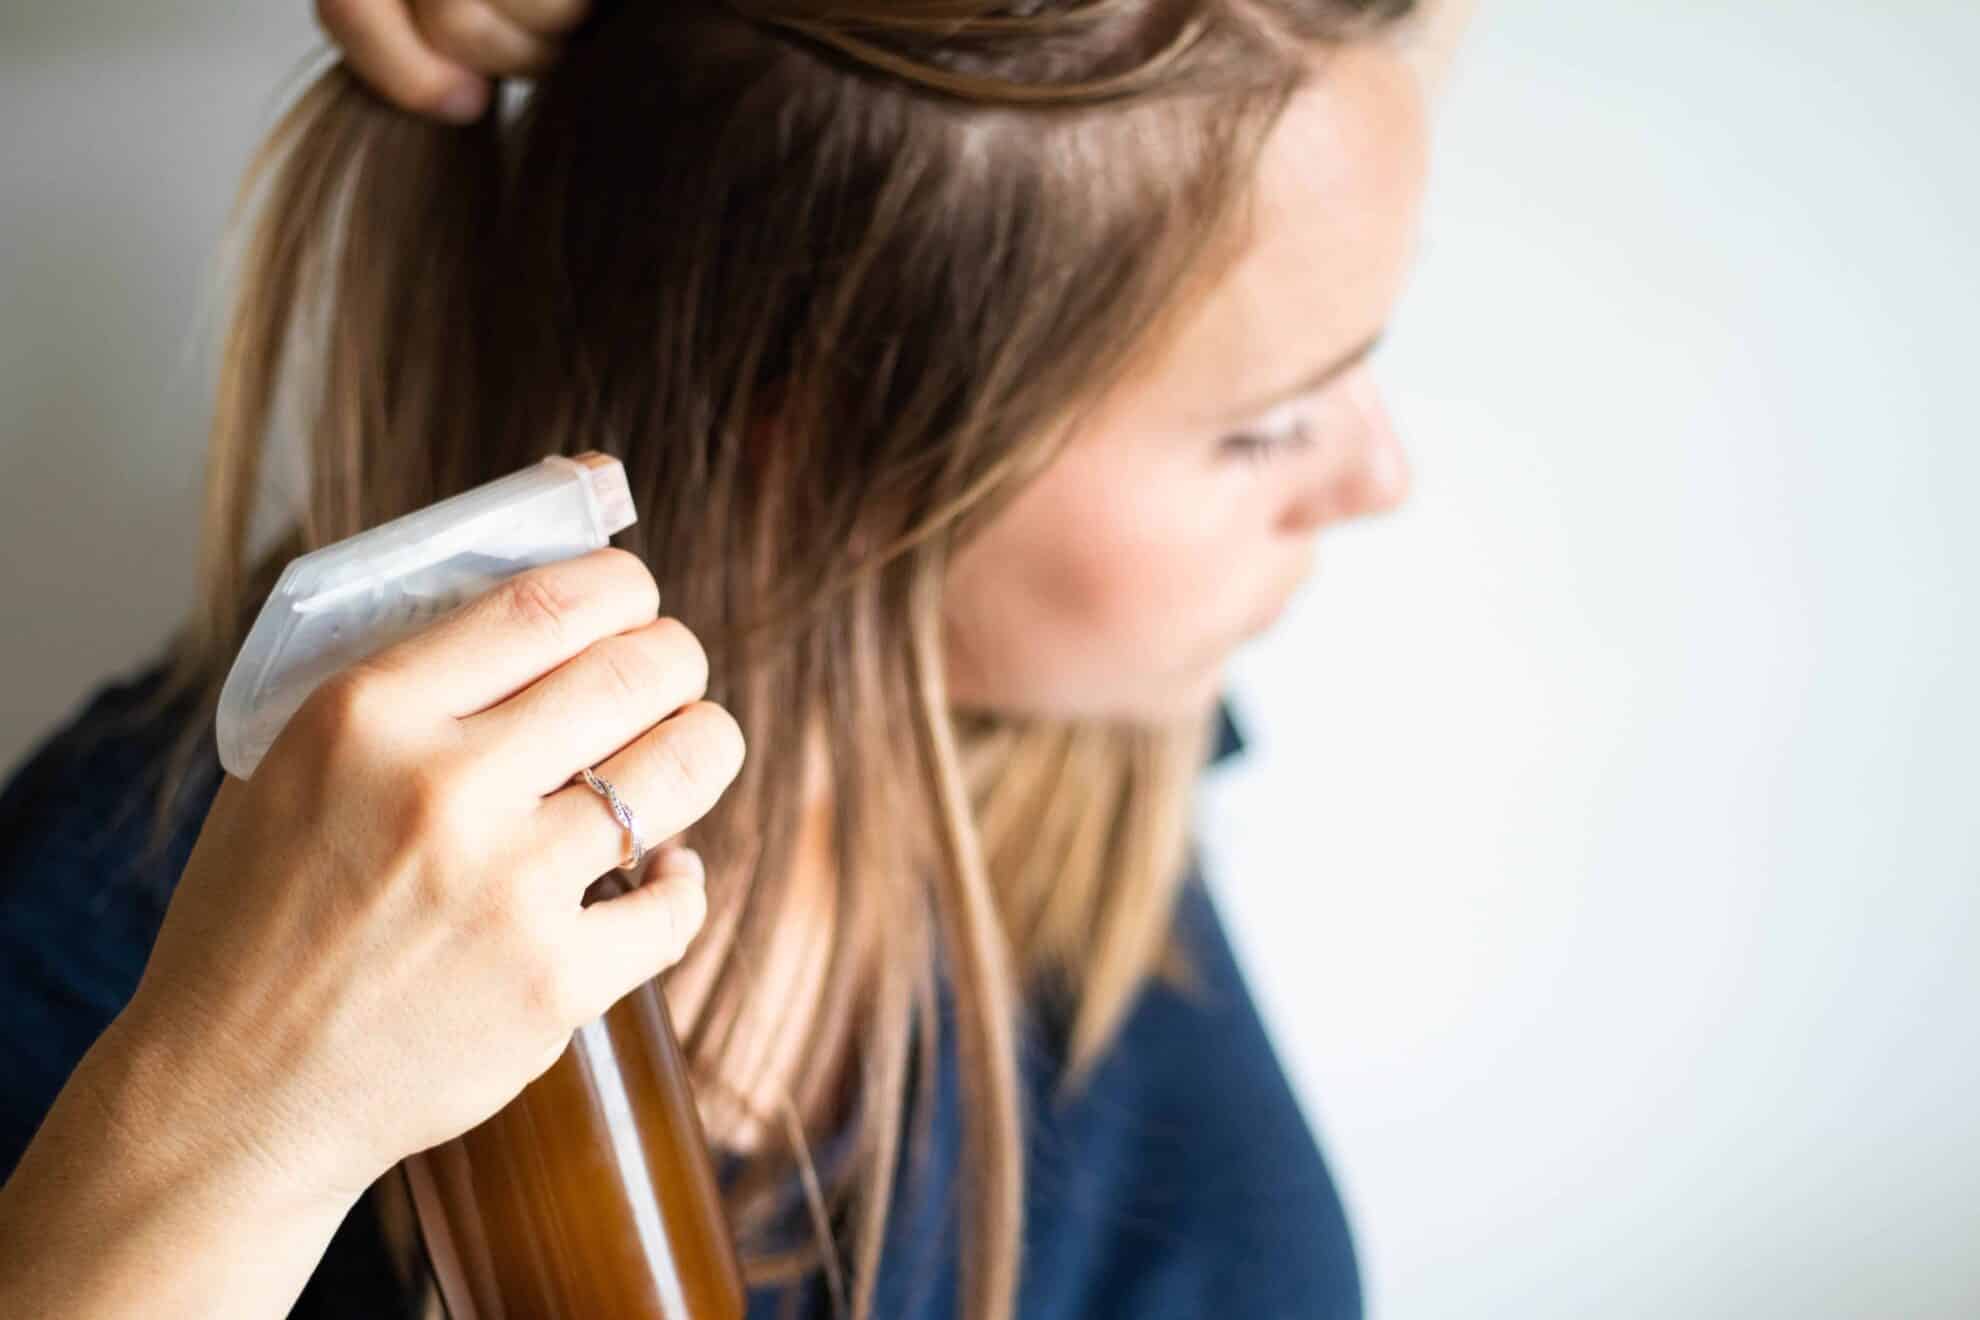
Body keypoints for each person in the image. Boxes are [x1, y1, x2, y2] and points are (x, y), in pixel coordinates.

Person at [0, 0, 1473, 1315]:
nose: (1376, 475)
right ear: (839, 446)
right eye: (1268, 425)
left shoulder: (1065, 734)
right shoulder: (102, 954)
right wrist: (233, 1144)